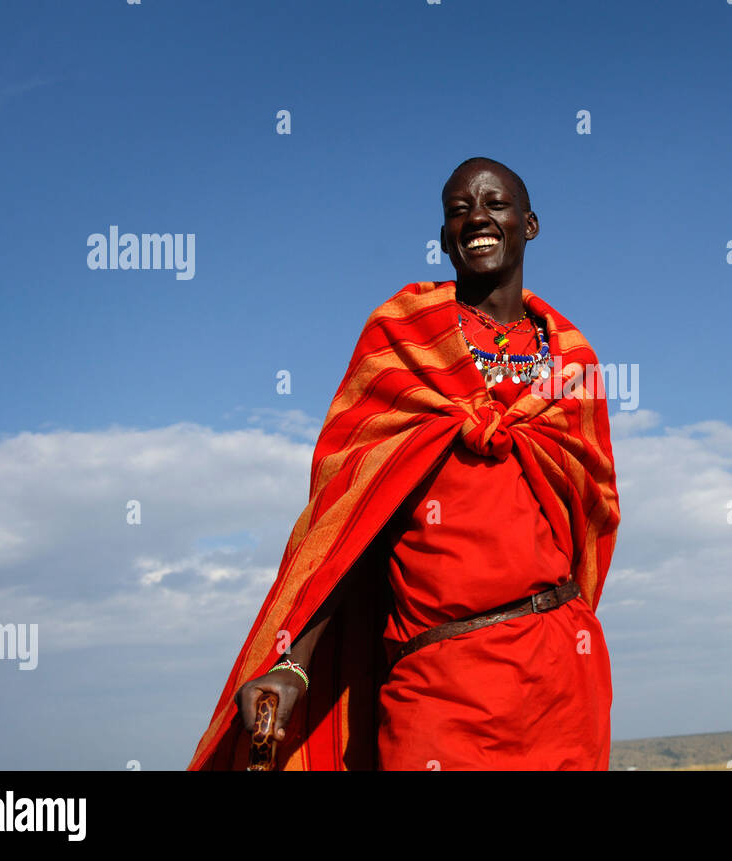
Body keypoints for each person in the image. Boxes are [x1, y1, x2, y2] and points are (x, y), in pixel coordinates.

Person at [187, 157, 621, 770]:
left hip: (561, 670)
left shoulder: (571, 363)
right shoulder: (402, 341)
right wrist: (293, 662)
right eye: (458, 209)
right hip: (439, 677)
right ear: (445, 238)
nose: (477, 217)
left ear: (530, 224)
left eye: (495, 204)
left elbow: (592, 512)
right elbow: (350, 523)